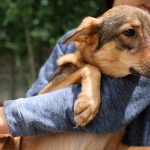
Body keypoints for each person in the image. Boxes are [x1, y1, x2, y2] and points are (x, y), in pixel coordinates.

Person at [0, 0, 150, 146]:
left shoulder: (138, 66)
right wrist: (88, 73)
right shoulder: (70, 42)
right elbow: (35, 102)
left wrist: (10, 117)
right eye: (130, 32)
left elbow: (109, 112)